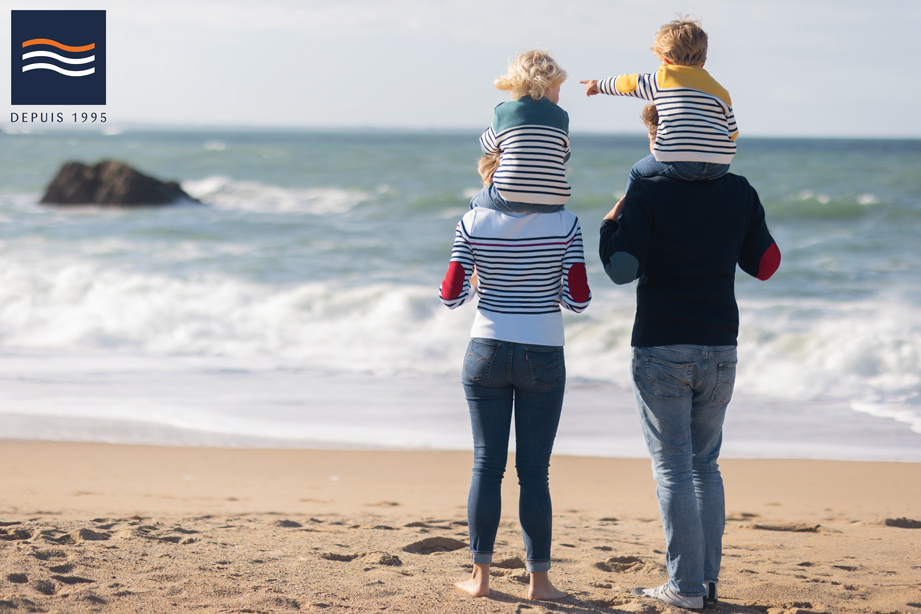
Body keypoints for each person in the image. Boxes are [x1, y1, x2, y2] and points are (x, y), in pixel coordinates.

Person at [598, 169, 780, 609]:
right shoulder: (739, 188)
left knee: (675, 468)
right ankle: (706, 583)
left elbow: (621, 270)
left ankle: (685, 587)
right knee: (704, 465)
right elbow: (766, 265)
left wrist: (609, 226)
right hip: (720, 347)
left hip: (662, 345)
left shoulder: (647, 188)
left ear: (657, 133)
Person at [439, 195, 591, 600]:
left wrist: (480, 284)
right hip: (541, 352)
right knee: (534, 472)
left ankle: (480, 579)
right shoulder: (566, 222)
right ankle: (539, 584)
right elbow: (579, 299)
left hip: (485, 349)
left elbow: (450, 295)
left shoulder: (472, 221)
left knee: (487, 467)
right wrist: (545, 283)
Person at [580, 15, 738, 193]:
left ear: (665, 61)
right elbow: (732, 132)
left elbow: (627, 84)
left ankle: (625, 215)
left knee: (637, 172)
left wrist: (598, 85)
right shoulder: (720, 91)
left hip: (678, 163)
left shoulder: (662, 80)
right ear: (704, 62)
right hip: (719, 167)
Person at [470, 49, 572, 213]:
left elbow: (487, 148)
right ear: (550, 87)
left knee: (476, 202)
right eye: (558, 91)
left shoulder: (504, 111)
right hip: (554, 201)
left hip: (509, 196)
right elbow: (565, 155)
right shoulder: (562, 116)